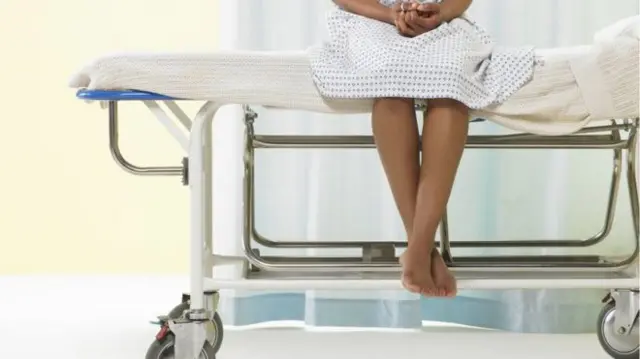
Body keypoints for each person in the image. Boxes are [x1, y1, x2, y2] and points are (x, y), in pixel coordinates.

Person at [310, 0, 535, 297]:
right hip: (370, 21)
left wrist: (439, 13)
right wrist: (391, 15)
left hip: (440, 24)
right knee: (389, 80)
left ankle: (417, 249)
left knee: (452, 83)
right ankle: (423, 250)